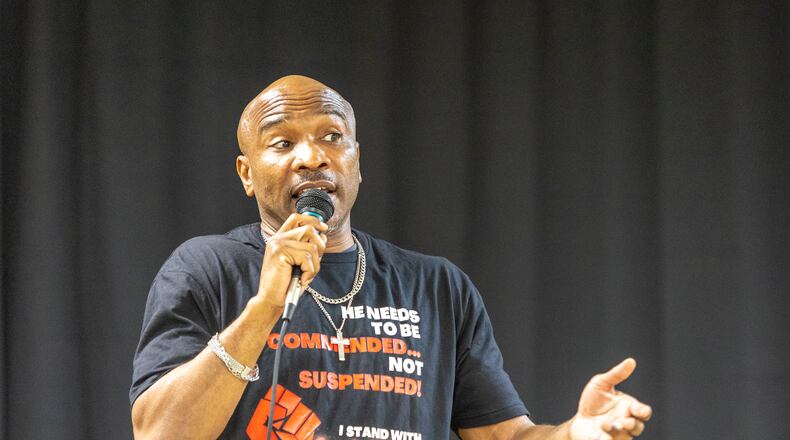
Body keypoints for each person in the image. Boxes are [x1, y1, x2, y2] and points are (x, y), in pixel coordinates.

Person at [130, 75, 652, 440]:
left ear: (356, 163)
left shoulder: (437, 287)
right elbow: (159, 433)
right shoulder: (204, 269)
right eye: (283, 142)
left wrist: (575, 433)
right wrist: (264, 306)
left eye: (332, 137)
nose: (312, 156)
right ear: (246, 173)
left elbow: (506, 435)